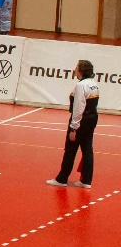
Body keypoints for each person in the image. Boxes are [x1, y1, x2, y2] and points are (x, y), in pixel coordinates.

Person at [49, 60, 100, 188]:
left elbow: (78, 108)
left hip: (81, 121)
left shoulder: (80, 86)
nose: (75, 70)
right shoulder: (94, 84)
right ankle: (86, 180)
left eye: (76, 68)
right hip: (91, 120)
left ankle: (62, 178)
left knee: (70, 150)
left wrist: (73, 128)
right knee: (87, 150)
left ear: (81, 70)